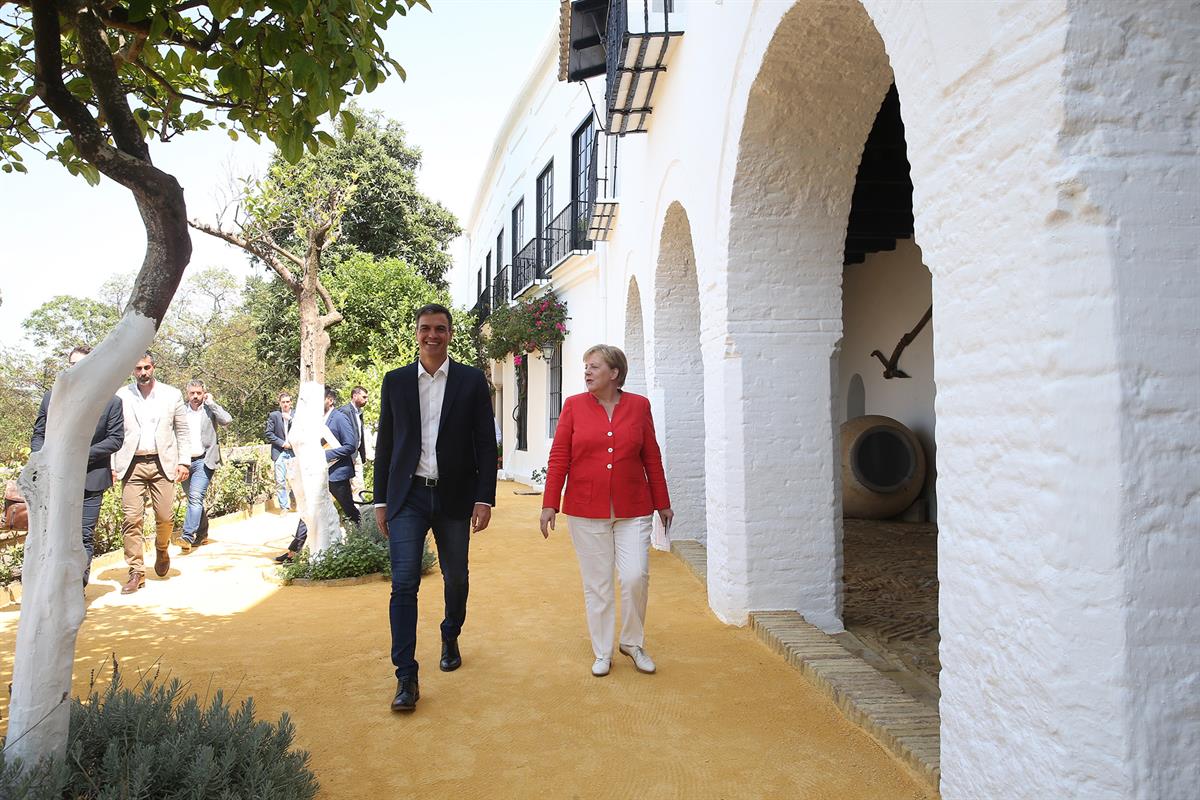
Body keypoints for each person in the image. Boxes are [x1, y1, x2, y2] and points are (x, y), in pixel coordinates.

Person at [374, 303, 497, 713]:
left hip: (454, 497)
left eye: (440, 329)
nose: (432, 335)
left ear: (449, 334)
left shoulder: (470, 381)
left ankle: (450, 632)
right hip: (407, 497)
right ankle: (406, 676)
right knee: (404, 583)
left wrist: (485, 496)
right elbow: (386, 445)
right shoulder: (395, 382)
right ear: (416, 333)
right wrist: (381, 499)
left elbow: (484, 442)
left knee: (456, 576)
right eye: (425, 328)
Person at [540, 344, 673, 677]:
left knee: (635, 576)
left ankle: (632, 642)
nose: (586, 371)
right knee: (597, 584)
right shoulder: (572, 407)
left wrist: (663, 501)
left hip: (633, 507)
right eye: (586, 366)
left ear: (614, 373)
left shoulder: (640, 407)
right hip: (586, 509)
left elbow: (651, 457)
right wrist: (549, 504)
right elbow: (559, 458)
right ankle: (602, 651)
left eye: (594, 366)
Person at [29, 345, 124, 587]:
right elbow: (39, 433)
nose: (76, 369)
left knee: (82, 536)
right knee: (54, 535)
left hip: (91, 479)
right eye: (72, 364)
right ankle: (53, 587)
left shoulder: (112, 401)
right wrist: (41, 458)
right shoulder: (52, 397)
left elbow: (115, 439)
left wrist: (79, 455)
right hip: (55, 478)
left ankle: (75, 589)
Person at [111, 351, 191, 595]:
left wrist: (184, 462)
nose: (143, 373)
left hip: (162, 463)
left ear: (153, 367)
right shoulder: (121, 395)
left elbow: (183, 431)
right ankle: (136, 571)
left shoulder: (172, 394)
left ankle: (162, 547)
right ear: (132, 371)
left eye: (146, 367)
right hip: (131, 464)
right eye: (138, 369)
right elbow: (112, 430)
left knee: (165, 516)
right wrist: (113, 464)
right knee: (131, 518)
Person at [275, 386, 361, 562]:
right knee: (309, 511)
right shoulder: (312, 420)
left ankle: (364, 540)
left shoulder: (339, 418)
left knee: (349, 510)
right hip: (315, 474)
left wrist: (324, 456)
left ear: (329, 400)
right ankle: (294, 552)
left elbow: (350, 445)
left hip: (337, 474)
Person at [180, 379, 232, 551]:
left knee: (195, 497)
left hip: (205, 460)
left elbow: (227, 420)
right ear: (187, 394)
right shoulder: (180, 411)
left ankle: (187, 536)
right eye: (192, 393)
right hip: (185, 462)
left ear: (204, 393)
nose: (195, 396)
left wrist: (211, 402)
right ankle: (202, 534)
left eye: (199, 393)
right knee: (194, 500)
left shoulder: (210, 409)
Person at [265, 391, 294, 513]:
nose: (286, 404)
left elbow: (303, 430)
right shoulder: (274, 416)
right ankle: (284, 507)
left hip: (294, 452)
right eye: (283, 402)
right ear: (280, 403)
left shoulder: (297, 415)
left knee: (296, 479)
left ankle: (294, 498)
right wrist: (283, 443)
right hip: (280, 451)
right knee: (280, 480)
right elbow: (269, 433)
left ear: (291, 403)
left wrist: (291, 420)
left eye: (288, 402)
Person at [348, 385, 371, 502]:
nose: (366, 400)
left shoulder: (359, 413)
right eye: (364, 397)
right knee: (347, 486)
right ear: (355, 396)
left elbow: (359, 435)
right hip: (347, 455)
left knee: (359, 485)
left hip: (356, 454)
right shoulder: (345, 412)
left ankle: (358, 513)